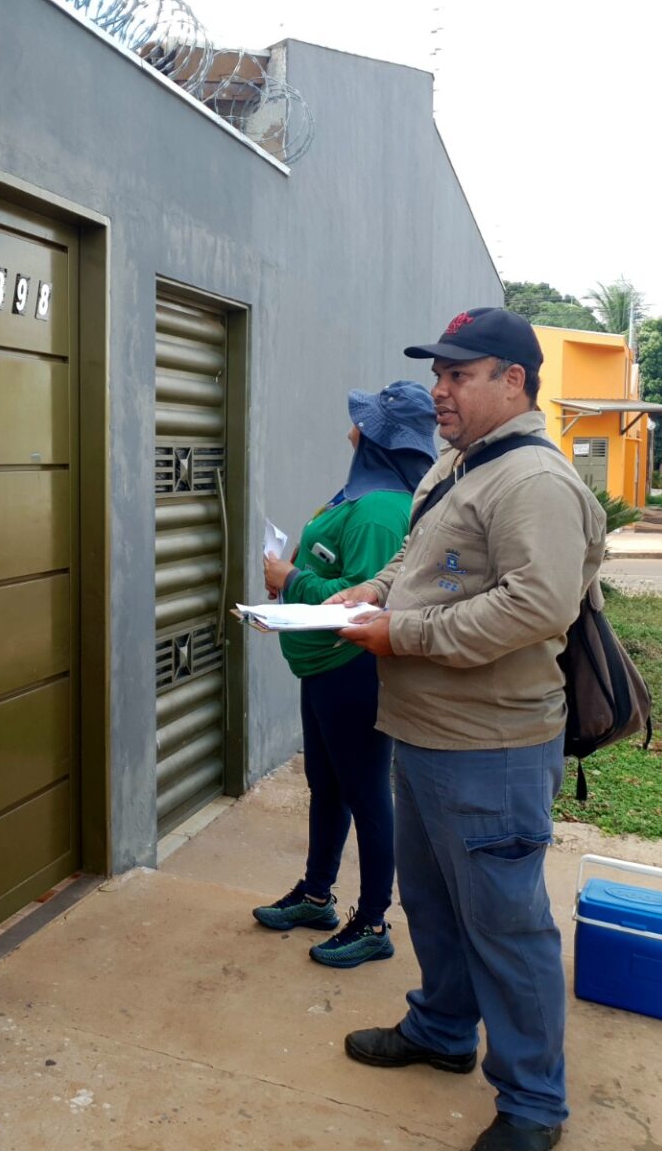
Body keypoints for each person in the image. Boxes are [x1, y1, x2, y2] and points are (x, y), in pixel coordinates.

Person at [329, 308, 606, 1151]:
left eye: (458, 375)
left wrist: (402, 634)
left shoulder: (534, 482)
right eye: (438, 375)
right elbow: (419, 562)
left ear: (513, 381)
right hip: (425, 733)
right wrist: (374, 591)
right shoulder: (459, 466)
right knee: (434, 904)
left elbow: (538, 604)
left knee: (507, 928)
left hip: (493, 747)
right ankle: (443, 1029)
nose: (439, 392)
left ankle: (533, 1105)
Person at [253, 381, 438, 968]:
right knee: (327, 786)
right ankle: (316, 896)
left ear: (381, 439)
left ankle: (374, 921)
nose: (350, 429)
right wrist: (292, 581)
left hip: (352, 668)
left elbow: (361, 603)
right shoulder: (359, 494)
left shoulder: (381, 508)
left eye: (363, 422)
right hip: (323, 667)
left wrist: (290, 580)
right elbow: (335, 571)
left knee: (366, 794)